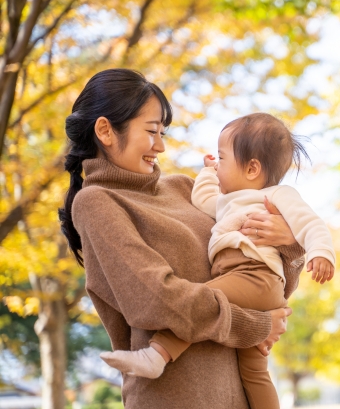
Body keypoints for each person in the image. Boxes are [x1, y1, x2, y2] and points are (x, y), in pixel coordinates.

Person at [59, 69, 306, 409]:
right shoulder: (97, 202)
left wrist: (288, 244)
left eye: (163, 132)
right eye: (151, 131)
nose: (160, 145)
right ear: (105, 130)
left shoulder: (184, 189)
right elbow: (157, 300)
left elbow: (263, 283)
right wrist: (255, 325)